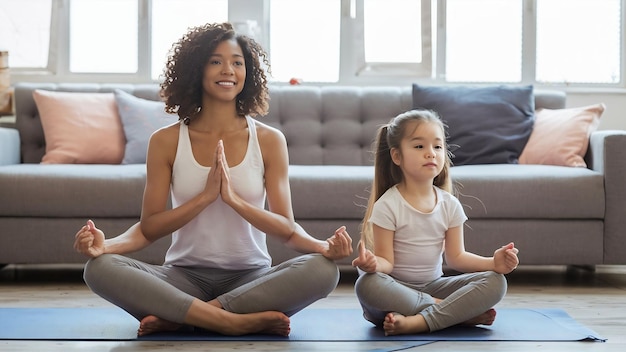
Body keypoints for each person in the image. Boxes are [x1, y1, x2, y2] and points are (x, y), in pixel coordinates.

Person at [73, 22, 353, 337]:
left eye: (237, 62)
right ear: (197, 69)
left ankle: (184, 316)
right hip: (181, 278)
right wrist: (107, 245)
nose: (228, 70)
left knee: (322, 271)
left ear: (248, 73)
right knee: (99, 268)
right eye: (216, 61)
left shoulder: (270, 140)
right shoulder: (165, 141)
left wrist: (321, 246)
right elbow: (148, 229)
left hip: (250, 280)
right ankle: (234, 321)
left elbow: (287, 230)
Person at [351, 109, 519, 336]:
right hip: (394, 291)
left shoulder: (449, 204)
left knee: (496, 282)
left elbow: (456, 257)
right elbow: (386, 263)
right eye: (419, 146)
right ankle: (454, 314)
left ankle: (420, 321)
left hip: (433, 285)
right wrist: (372, 265)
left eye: (437, 147)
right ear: (397, 156)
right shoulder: (388, 205)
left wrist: (494, 264)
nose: (430, 153)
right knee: (367, 284)